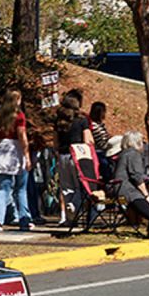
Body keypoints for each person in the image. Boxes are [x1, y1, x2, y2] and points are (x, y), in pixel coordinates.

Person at [0, 89, 33, 232]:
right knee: (21, 189)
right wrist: (27, 156)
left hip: (2, 151)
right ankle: (24, 219)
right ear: (17, 101)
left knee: (3, 189)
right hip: (16, 152)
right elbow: (22, 136)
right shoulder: (19, 117)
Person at [111, 132, 149, 237]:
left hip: (122, 189)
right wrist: (147, 196)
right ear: (137, 143)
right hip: (129, 192)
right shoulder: (133, 154)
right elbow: (137, 177)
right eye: (142, 142)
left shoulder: (124, 154)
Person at [55, 93, 93, 224]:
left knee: (66, 187)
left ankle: (69, 217)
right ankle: (74, 205)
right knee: (81, 186)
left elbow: (55, 142)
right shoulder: (82, 120)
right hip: (77, 154)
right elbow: (88, 140)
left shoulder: (59, 121)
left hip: (63, 155)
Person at [89, 101, 113, 180]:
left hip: (105, 147)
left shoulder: (100, 124)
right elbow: (101, 142)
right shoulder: (93, 126)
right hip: (99, 150)